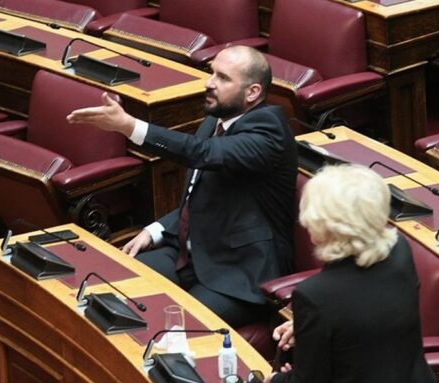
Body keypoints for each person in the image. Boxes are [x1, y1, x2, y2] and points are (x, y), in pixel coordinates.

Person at [67, 46, 297, 328]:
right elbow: (202, 194)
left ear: (252, 92)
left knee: (166, 327)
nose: (210, 83)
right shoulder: (217, 119)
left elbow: (201, 152)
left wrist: (129, 126)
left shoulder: (269, 131)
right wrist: (157, 229)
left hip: (239, 271)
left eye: (223, 78)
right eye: (212, 73)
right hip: (192, 252)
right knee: (108, 287)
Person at [264, 165, 439, 383]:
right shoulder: (401, 253)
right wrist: (311, 327)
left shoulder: (315, 296)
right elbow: (373, 317)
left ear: (324, 226)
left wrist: (276, 382)